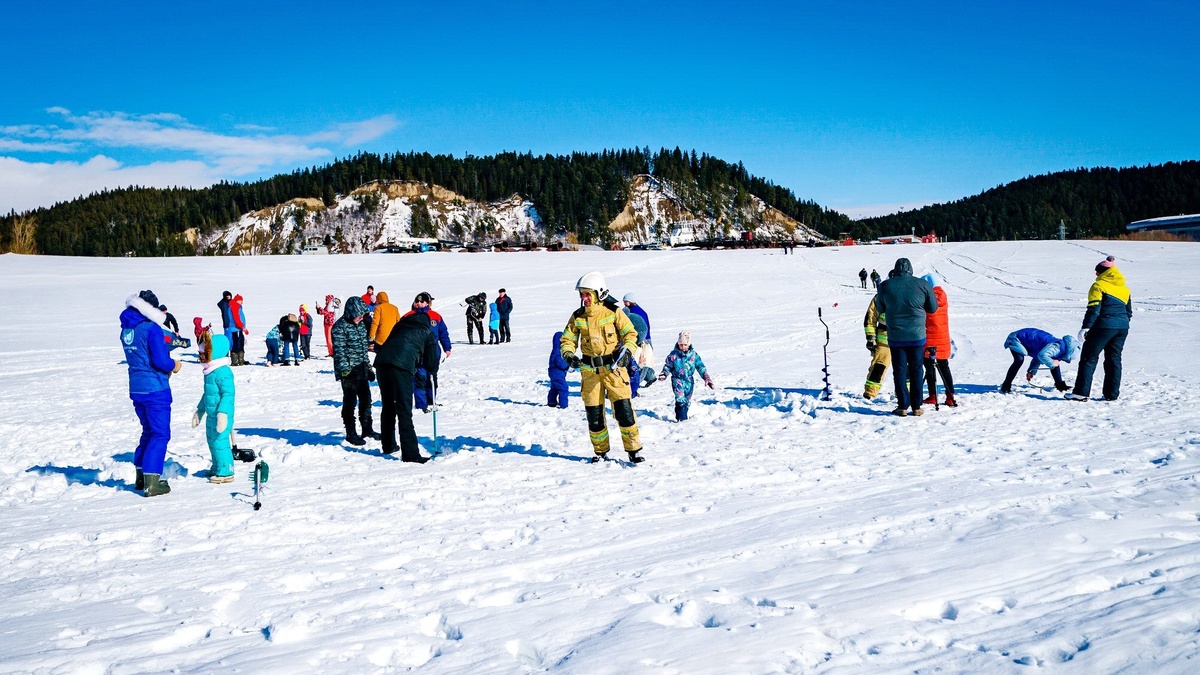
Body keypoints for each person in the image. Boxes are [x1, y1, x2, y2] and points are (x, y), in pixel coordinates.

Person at [560, 271, 644, 463]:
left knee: (624, 411)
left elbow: (631, 334)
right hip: (590, 373)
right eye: (582, 294)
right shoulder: (578, 316)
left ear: (599, 293)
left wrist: (628, 352)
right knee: (594, 415)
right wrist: (568, 354)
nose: (584, 298)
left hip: (614, 370)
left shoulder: (613, 312)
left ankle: (634, 450)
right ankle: (600, 452)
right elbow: (567, 339)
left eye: (588, 294)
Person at [119, 290, 181, 497]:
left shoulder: (126, 330)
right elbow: (160, 361)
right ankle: (152, 482)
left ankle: (141, 477)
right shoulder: (151, 329)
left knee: (148, 431)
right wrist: (175, 364)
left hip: (136, 388)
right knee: (160, 434)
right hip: (155, 388)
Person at [874, 258, 938, 417]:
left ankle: (902, 406)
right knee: (916, 369)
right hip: (917, 336)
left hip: (896, 337)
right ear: (911, 269)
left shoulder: (886, 286)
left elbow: (880, 307)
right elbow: (933, 308)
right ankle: (916, 406)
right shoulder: (922, 285)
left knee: (900, 371)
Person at [375, 311, 440, 462]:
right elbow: (431, 363)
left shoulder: (400, 326)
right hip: (401, 367)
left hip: (382, 364)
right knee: (404, 409)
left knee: (388, 405)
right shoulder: (427, 332)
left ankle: (388, 445)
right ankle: (410, 454)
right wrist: (432, 368)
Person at [1067, 256, 1132, 401]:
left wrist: (1085, 327)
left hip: (1103, 326)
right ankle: (1111, 394)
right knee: (1114, 359)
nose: (1096, 275)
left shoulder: (1098, 286)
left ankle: (1080, 393)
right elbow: (1129, 312)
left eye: (1097, 272)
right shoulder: (1124, 289)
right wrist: (1120, 323)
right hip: (1122, 328)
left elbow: (1094, 309)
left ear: (1104, 272)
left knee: (1088, 358)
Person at [332, 296, 378, 445]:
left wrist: (368, 368)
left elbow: (363, 350)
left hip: (361, 368)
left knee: (366, 400)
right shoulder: (340, 327)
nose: (360, 318)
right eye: (358, 315)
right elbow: (339, 351)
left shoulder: (361, 325)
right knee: (350, 401)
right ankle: (350, 432)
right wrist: (346, 371)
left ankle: (367, 429)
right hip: (349, 372)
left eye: (362, 315)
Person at [192, 331, 236, 483]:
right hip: (211, 414)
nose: (200, 355)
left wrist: (223, 413)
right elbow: (208, 394)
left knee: (220, 442)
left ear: (214, 353)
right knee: (212, 441)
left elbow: (228, 395)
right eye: (200, 352)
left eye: (203, 352)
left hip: (221, 415)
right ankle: (217, 467)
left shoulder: (223, 372)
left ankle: (226, 471)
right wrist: (200, 411)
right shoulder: (209, 372)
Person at [404, 292, 452, 412]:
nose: (419, 304)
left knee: (432, 378)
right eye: (417, 301)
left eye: (422, 301)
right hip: (417, 353)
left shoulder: (435, 316)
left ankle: (432, 401)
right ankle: (421, 405)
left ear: (427, 303)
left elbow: (443, 333)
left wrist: (447, 348)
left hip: (433, 353)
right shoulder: (408, 316)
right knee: (420, 378)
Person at [1001, 328, 1079, 393]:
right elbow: (1042, 356)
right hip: (1015, 338)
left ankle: (1060, 385)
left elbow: (1037, 358)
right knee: (1019, 360)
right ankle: (1006, 385)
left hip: (1024, 339)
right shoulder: (1056, 347)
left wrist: (1031, 371)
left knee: (1053, 362)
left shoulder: (1059, 348)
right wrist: (1051, 363)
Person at [658, 331, 713, 422]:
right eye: (681, 345)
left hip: (689, 381)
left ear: (689, 344)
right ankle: (682, 420)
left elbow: (700, 367)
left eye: (685, 345)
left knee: (687, 401)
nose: (683, 347)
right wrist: (665, 373)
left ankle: (680, 414)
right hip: (677, 379)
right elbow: (668, 366)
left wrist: (706, 377)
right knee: (680, 400)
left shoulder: (694, 356)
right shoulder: (673, 355)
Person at [920, 273, 957, 408]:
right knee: (944, 366)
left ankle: (933, 395)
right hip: (943, 337)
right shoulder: (943, 296)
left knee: (929, 367)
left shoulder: (927, 297)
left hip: (929, 337)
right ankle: (950, 396)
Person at [863, 294, 890, 400]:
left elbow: (871, 316)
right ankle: (870, 393)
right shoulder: (882, 295)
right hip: (887, 339)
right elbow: (871, 316)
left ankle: (905, 393)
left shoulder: (910, 292)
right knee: (879, 367)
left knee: (905, 369)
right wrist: (870, 338)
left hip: (898, 338)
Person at [623, 304, 649, 398]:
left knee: (635, 370)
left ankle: (632, 391)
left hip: (632, 346)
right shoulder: (637, 312)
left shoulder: (637, 312)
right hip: (629, 347)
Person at [548, 331, 571, 408]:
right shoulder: (558, 351)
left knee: (554, 388)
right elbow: (560, 362)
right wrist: (567, 366)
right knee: (563, 388)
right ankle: (563, 405)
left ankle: (551, 402)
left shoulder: (554, 350)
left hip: (553, 373)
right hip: (558, 374)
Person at [230, 294, 248, 366]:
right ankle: (235, 361)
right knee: (237, 344)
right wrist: (242, 327)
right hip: (236, 328)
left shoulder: (238, 306)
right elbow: (236, 318)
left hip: (238, 328)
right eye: (241, 300)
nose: (242, 302)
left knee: (240, 342)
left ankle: (241, 360)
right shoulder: (234, 306)